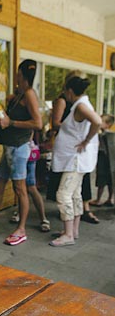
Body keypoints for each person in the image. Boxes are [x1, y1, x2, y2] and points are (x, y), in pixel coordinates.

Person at [0, 59, 43, 245]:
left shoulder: (30, 94)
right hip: (10, 147)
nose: (16, 77)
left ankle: (21, 229)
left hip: (19, 148)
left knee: (20, 189)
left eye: (18, 74)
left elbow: (38, 123)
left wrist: (11, 123)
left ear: (22, 75)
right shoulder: (20, 94)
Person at [49, 75, 101, 247]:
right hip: (75, 160)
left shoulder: (81, 106)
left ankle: (68, 235)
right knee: (75, 194)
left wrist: (86, 140)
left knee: (63, 194)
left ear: (70, 92)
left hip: (75, 160)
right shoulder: (80, 105)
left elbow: (97, 121)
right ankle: (73, 231)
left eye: (65, 91)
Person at [10, 134, 50, 232]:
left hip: (25, 150)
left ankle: (43, 218)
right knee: (24, 188)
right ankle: (41, 218)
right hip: (31, 150)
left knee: (28, 187)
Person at [90, 113, 115, 207]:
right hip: (112, 162)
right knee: (111, 180)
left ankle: (98, 199)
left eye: (101, 121)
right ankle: (110, 198)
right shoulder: (112, 135)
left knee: (101, 180)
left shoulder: (101, 135)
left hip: (103, 160)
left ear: (108, 124)